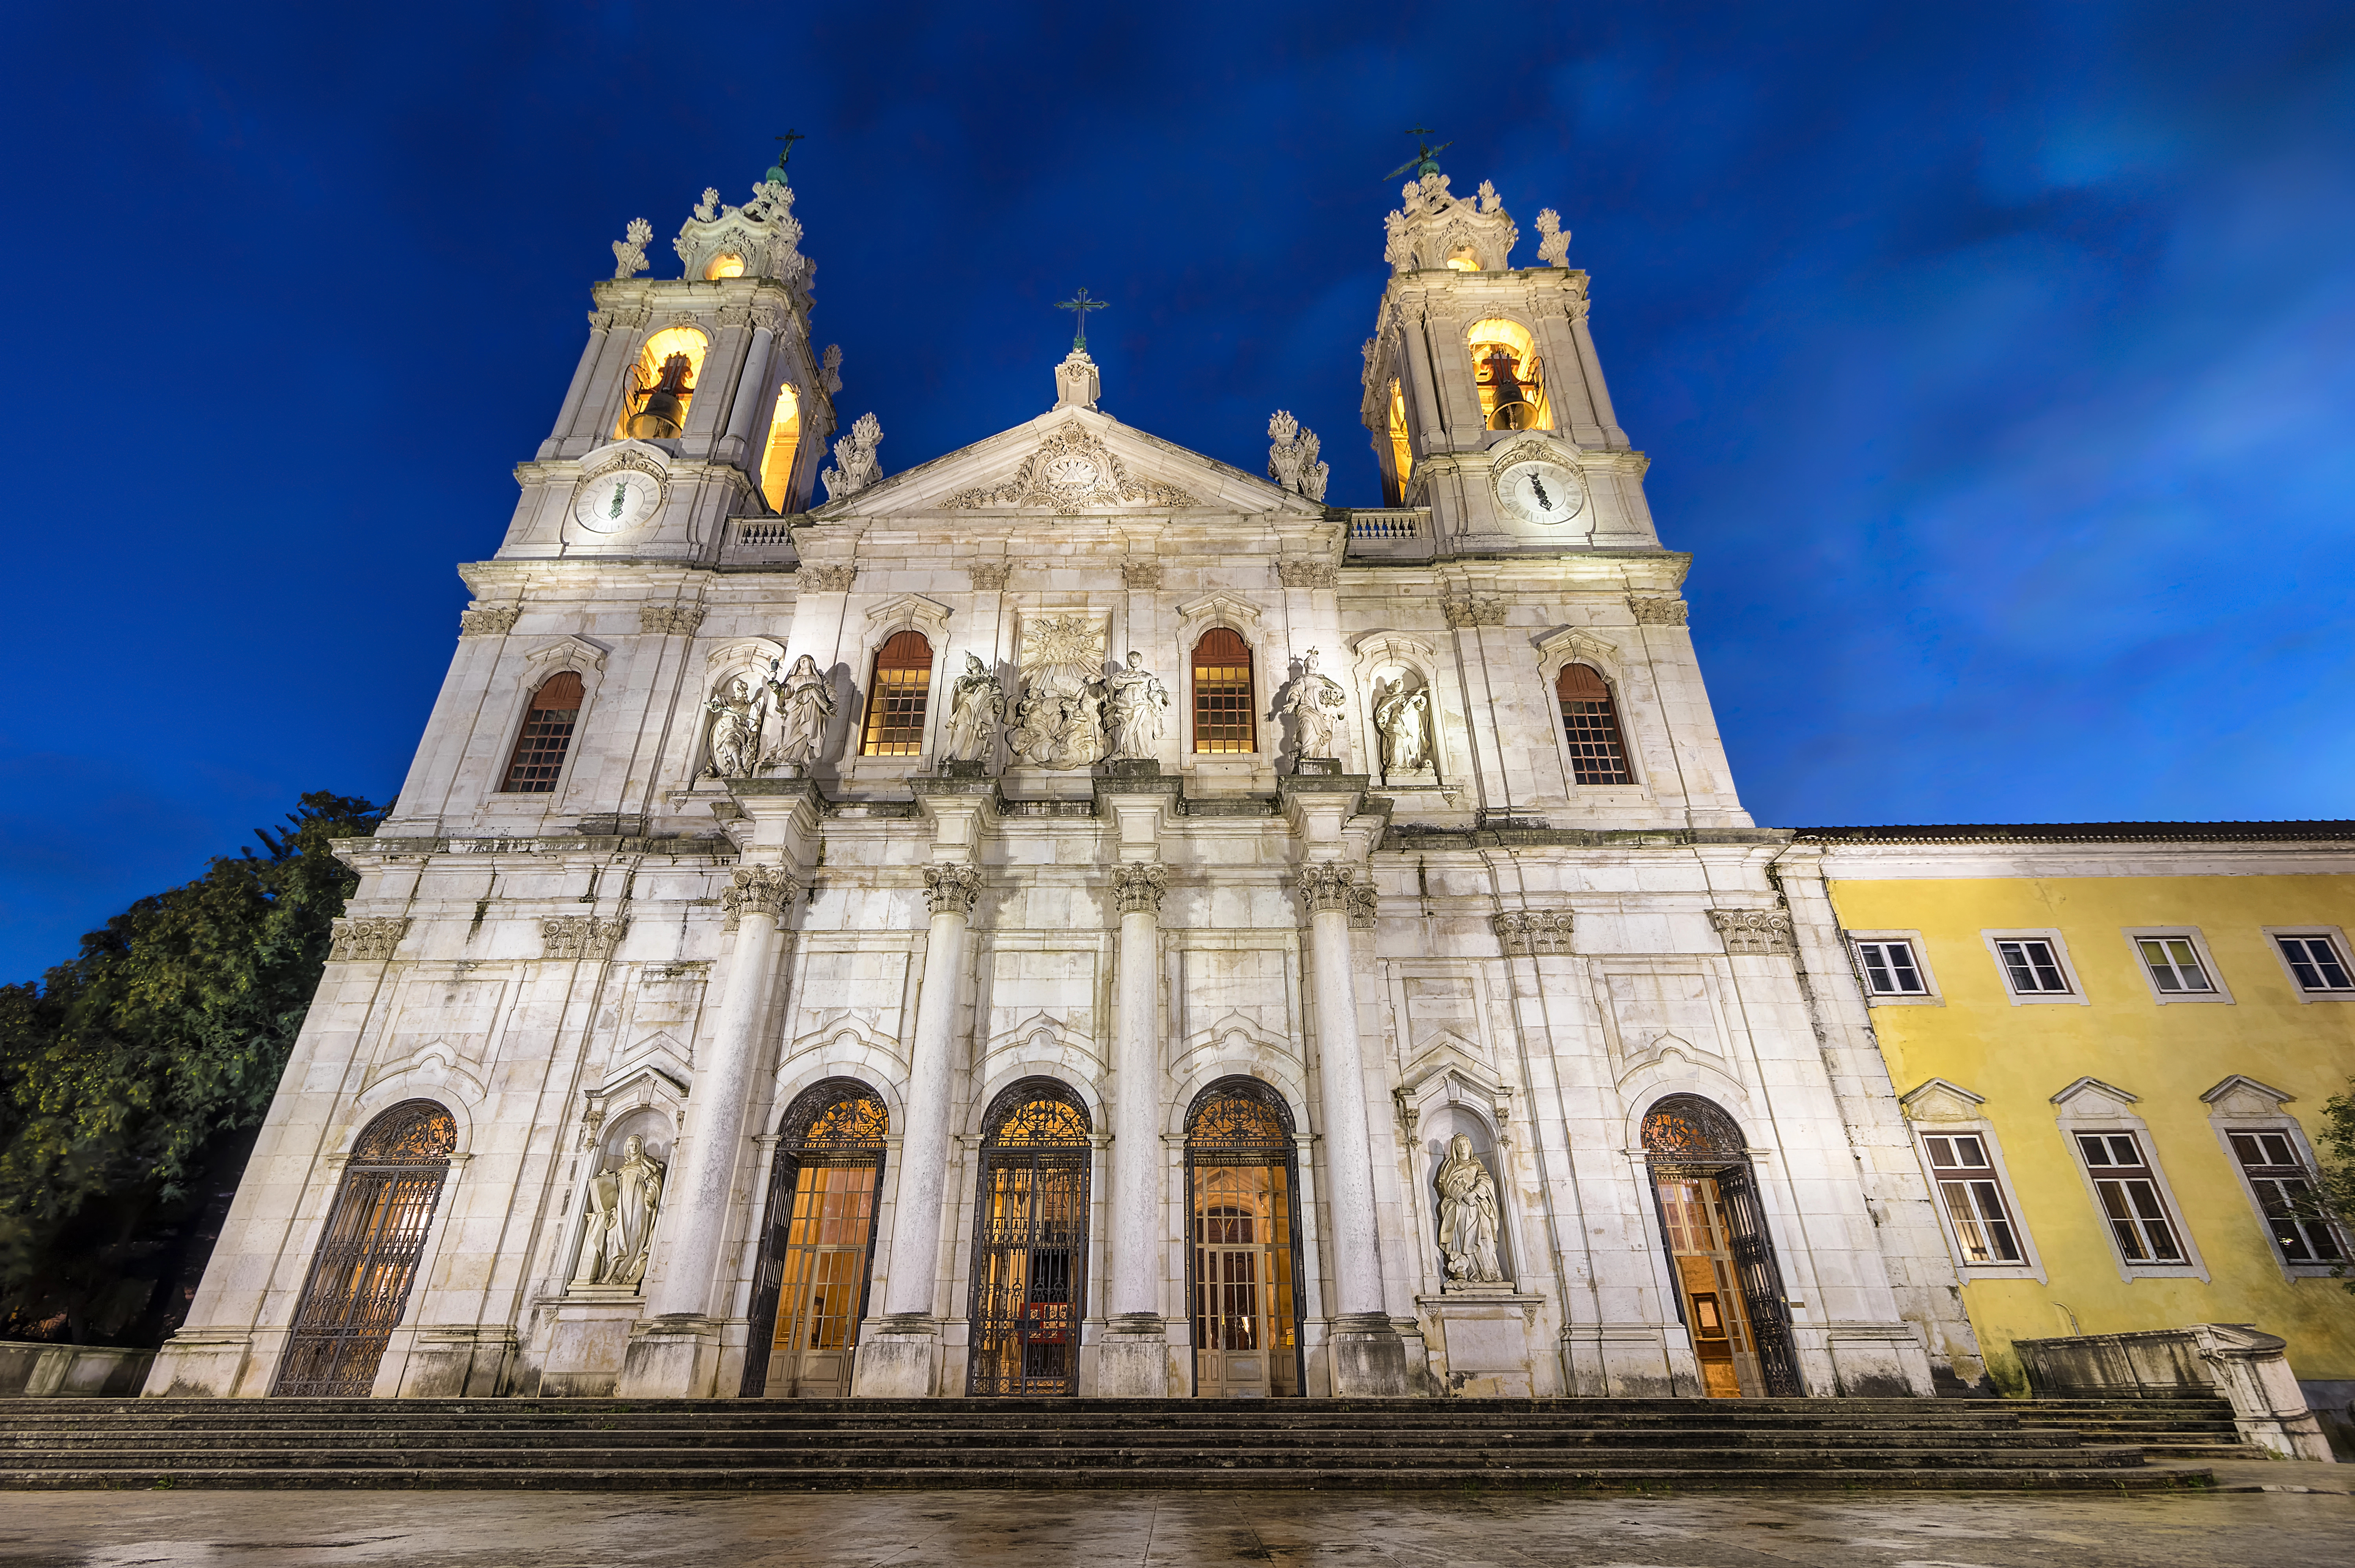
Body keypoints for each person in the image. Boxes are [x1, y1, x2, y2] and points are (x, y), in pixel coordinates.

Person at [1435, 1133, 1503, 1284]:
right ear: (1455, 1148)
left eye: (1465, 1144)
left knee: (1485, 1239)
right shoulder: (1451, 1166)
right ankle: (1473, 1273)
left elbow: (1486, 1181)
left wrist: (1475, 1193)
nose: (1462, 1147)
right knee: (1467, 1239)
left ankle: (1491, 1272)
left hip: (1479, 1205)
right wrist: (1464, 1195)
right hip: (1462, 1207)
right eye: (1459, 1145)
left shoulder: (1477, 1164)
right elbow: (1447, 1184)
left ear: (1469, 1146)